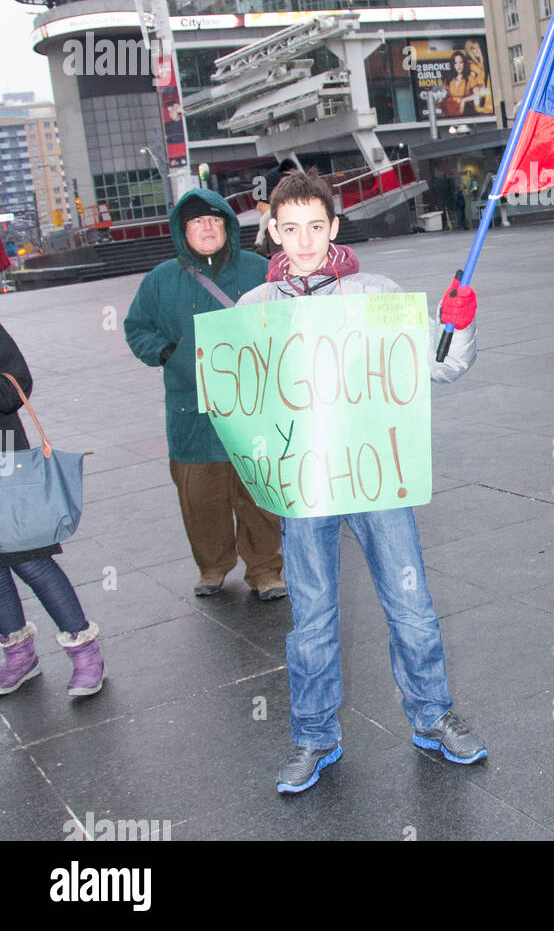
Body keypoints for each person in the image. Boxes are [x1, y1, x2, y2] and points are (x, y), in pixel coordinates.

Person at [237, 169, 486, 794]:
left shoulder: (373, 291)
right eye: (289, 229)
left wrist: (457, 325)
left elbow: (441, 365)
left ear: (334, 226)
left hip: (376, 473)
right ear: (272, 231)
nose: (302, 241)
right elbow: (241, 400)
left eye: (314, 227)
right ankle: (314, 734)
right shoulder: (254, 309)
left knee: (412, 609)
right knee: (312, 618)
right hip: (305, 484)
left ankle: (433, 718)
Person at [124, 190, 285, 601]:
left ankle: (266, 570)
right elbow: (136, 326)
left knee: (258, 492)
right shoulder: (160, 280)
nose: (207, 228)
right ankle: (212, 567)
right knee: (200, 496)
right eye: (197, 222)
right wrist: (165, 353)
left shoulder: (261, 270)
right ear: (183, 231)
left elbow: (287, 318)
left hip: (251, 407)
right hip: (191, 410)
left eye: (214, 220)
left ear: (228, 225)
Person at [0, 323, 105, 698]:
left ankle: (84, 652)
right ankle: (18, 654)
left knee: (29, 559)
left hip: (4, 456)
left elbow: (16, 384)